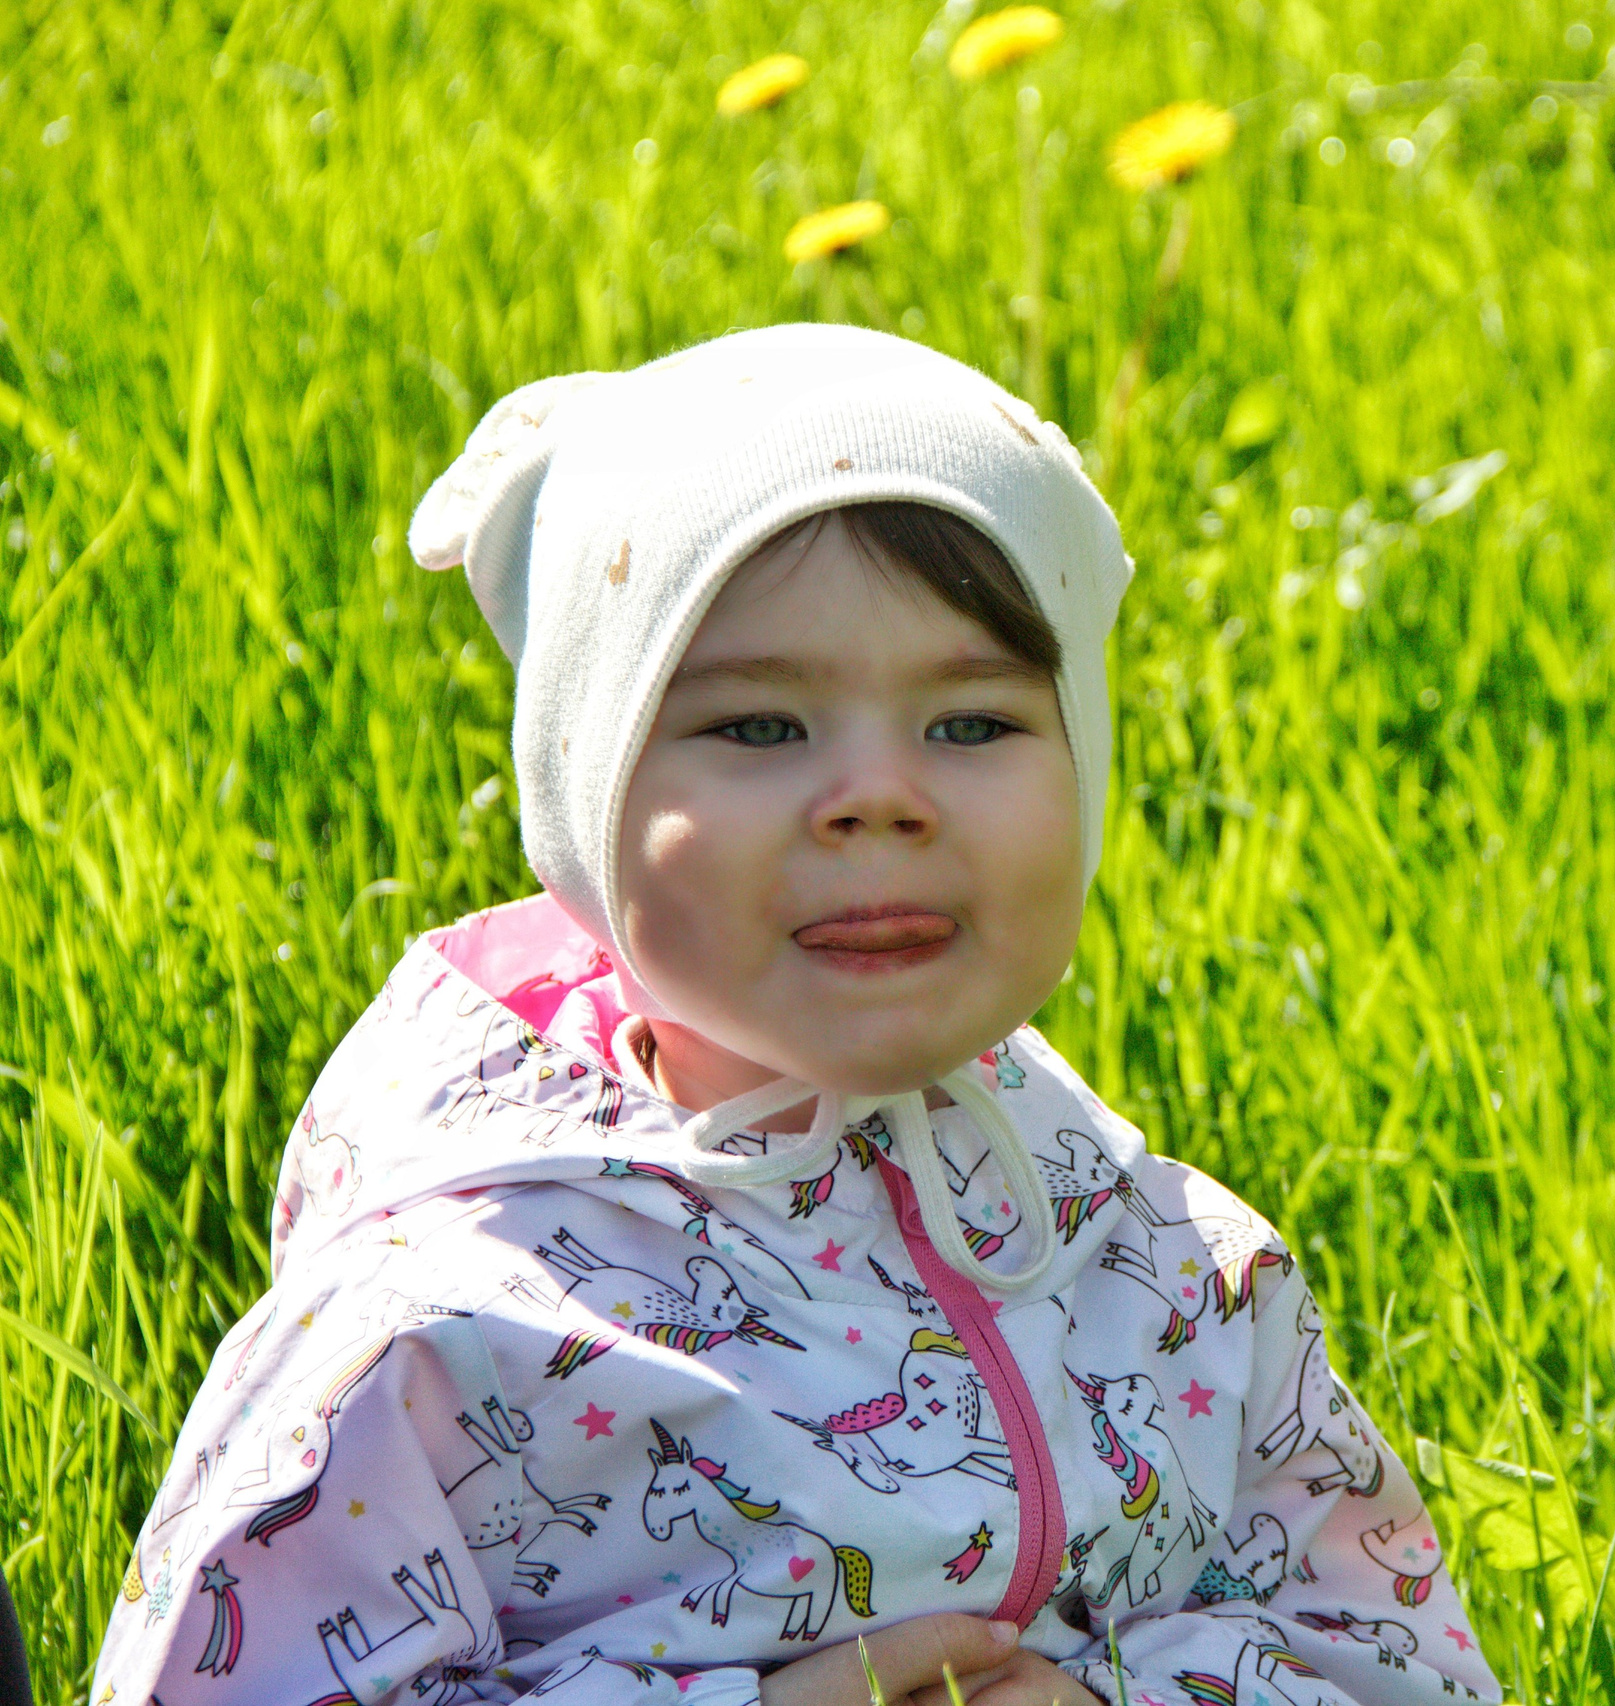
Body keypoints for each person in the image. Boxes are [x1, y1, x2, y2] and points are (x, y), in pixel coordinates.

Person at [90, 327, 1497, 1706]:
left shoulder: (1166, 1266)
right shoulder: (436, 1335)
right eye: (760, 727)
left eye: (974, 724)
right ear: (585, 796)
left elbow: (1378, 1647)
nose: (879, 795)